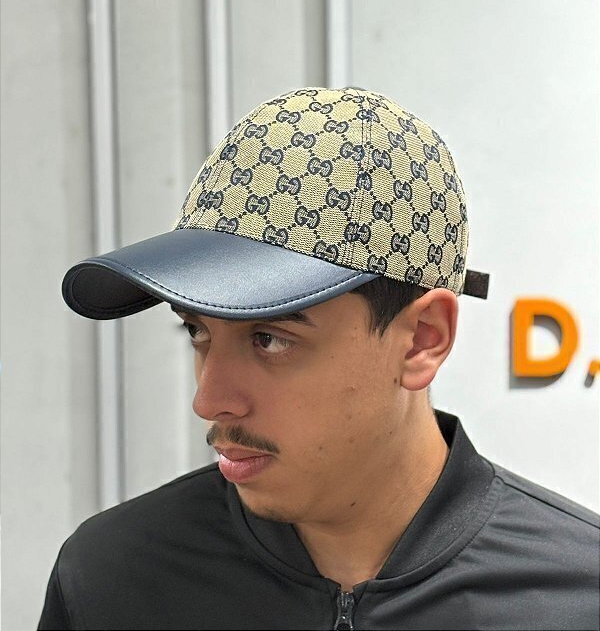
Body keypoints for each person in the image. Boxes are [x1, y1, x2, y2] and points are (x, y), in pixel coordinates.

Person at [38, 87, 598, 630]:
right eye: (197, 331)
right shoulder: (113, 580)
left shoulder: (578, 600)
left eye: (269, 339)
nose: (208, 401)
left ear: (422, 339)